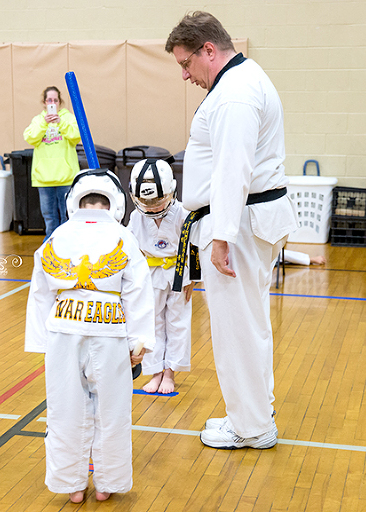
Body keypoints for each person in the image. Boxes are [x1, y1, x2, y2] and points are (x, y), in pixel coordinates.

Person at [165, 11, 299, 449]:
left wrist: (221, 235)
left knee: (237, 328)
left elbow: (232, 170)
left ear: (209, 50)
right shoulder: (240, 82)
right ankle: (254, 411)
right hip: (246, 220)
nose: (185, 75)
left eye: (186, 64)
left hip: (238, 225)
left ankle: (252, 427)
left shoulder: (235, 93)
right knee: (251, 323)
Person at [25, 168, 155, 503]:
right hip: (109, 331)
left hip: (63, 330)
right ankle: (107, 483)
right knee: (112, 412)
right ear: (115, 204)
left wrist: (41, 342)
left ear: (73, 202)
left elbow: (40, 292)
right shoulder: (124, 239)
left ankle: (72, 485)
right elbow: (139, 292)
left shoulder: (55, 238)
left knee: (64, 409)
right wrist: (139, 344)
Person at [127, 159, 194, 394]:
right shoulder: (136, 217)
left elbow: (195, 246)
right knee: (152, 323)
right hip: (149, 274)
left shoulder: (183, 213)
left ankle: (170, 373)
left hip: (179, 274)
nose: (153, 206)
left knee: (178, 323)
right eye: (147, 202)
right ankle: (155, 371)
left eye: (158, 201)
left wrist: (194, 278)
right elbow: (129, 248)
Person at [23, 86, 82, 240]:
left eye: (55, 100)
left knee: (67, 215)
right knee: (49, 217)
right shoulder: (38, 120)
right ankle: (50, 245)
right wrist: (44, 124)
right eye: (49, 100)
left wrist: (60, 123)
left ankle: (67, 243)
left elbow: (76, 136)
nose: (52, 103)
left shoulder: (68, 118)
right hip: (44, 178)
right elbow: (30, 137)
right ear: (44, 102)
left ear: (60, 101)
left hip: (66, 177)